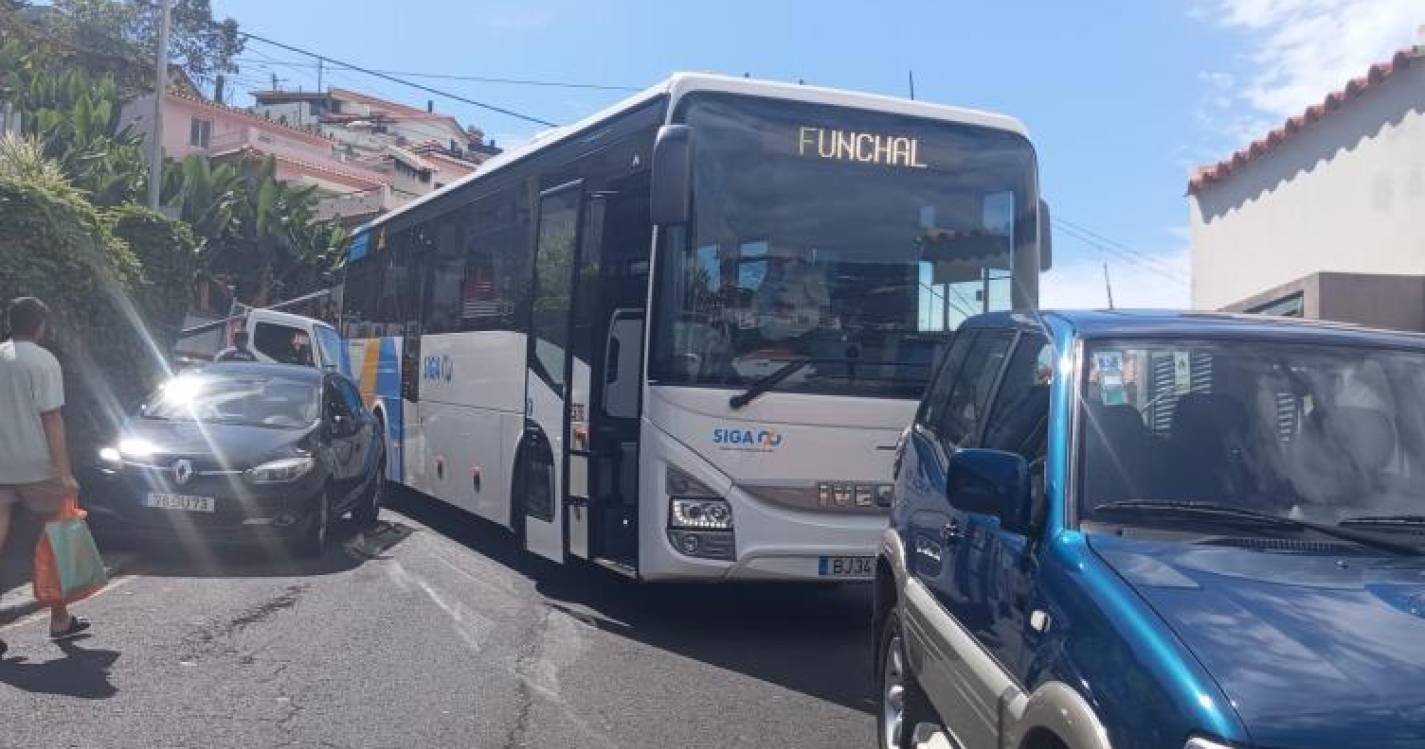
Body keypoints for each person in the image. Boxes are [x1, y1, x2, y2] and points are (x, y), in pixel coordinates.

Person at [0, 297, 91, 657]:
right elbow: (52, 419)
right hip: (38, 466)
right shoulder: (43, 361)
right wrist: (65, 473)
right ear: (40, 326)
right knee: (59, 540)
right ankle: (59, 618)